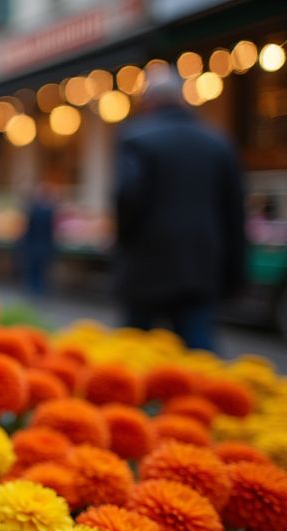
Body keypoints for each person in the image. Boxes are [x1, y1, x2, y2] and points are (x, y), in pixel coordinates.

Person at [113, 69, 247, 352]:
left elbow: (126, 200)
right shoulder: (218, 143)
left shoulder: (136, 139)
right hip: (199, 268)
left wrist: (123, 247)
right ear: (184, 100)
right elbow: (235, 214)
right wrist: (234, 275)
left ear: (148, 102)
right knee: (198, 355)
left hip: (145, 267)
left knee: (132, 354)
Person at [20, 182, 58, 297]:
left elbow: (28, 229)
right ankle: (38, 291)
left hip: (34, 246)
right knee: (40, 271)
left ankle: (34, 292)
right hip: (44, 246)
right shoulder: (50, 210)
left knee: (33, 271)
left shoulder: (33, 210)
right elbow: (52, 231)